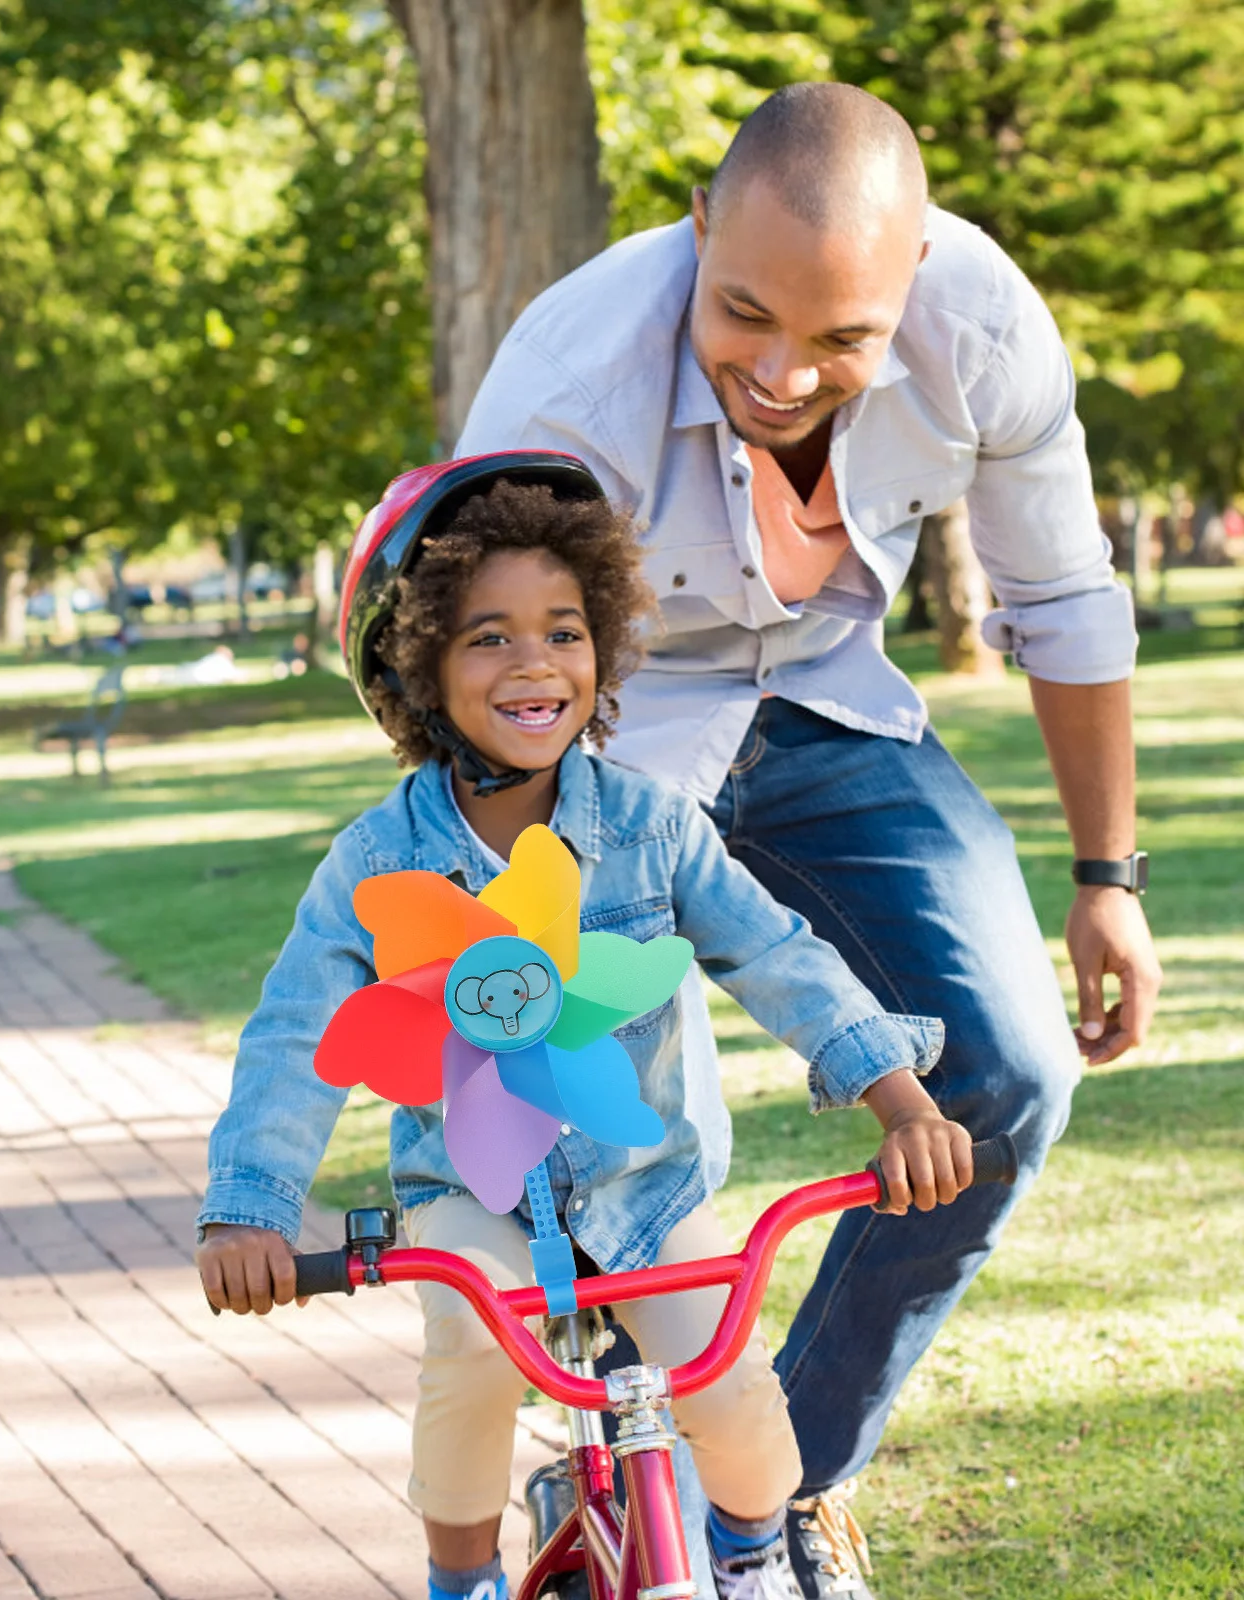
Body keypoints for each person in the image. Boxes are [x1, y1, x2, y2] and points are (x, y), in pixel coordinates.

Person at [453, 83, 1162, 1597]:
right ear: (697, 228)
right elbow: (489, 677)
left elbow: (1066, 600)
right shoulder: (569, 385)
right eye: (744, 315)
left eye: (841, 339)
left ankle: (785, 1491)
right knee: (624, 1135)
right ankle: (626, 1469)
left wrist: (1108, 880)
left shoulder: (986, 331)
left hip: (833, 703)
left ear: (912, 283)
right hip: (601, 733)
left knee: (1011, 1073)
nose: (782, 373)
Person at [198, 456, 977, 1600]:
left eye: (564, 630)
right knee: (465, 1356)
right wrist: (247, 1213)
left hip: (645, 1183)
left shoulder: (650, 826)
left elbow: (774, 955)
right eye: (486, 638)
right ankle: (459, 1581)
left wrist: (897, 1096)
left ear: (602, 644)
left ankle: (754, 1553)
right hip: (473, 1197)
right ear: (413, 671)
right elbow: (290, 1040)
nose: (535, 665)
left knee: (731, 1385)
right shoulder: (377, 864)